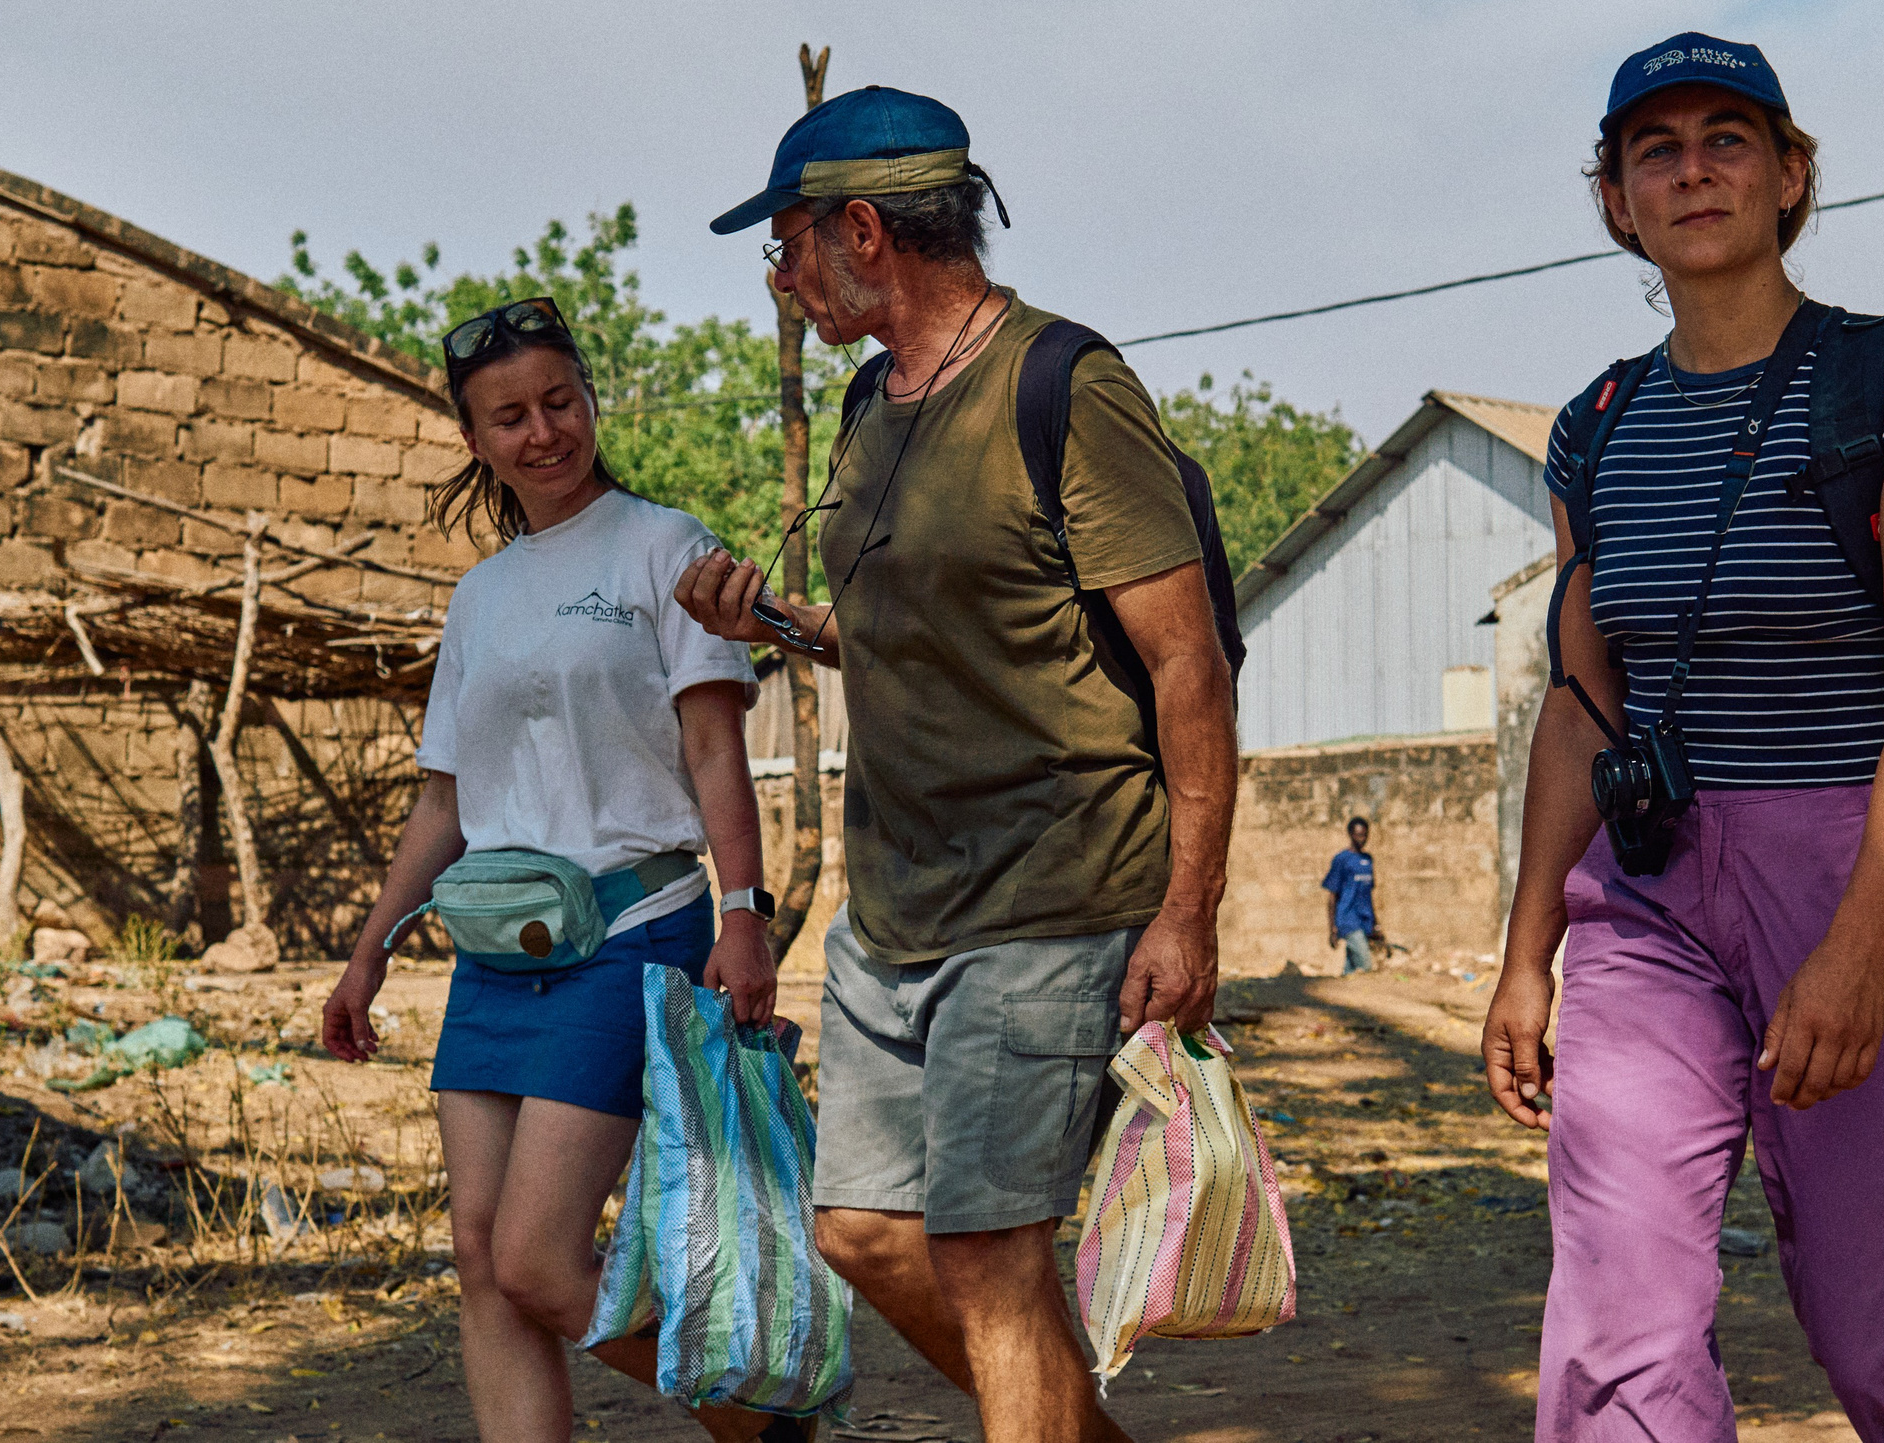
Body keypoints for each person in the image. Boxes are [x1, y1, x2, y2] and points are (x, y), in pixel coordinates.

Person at [1479, 34, 1884, 1442]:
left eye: (1727, 138)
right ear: (1617, 199)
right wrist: (1522, 955)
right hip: (1652, 892)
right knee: (1616, 1334)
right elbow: (1583, 706)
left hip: (1865, 865)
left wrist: (1860, 946)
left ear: (1790, 173)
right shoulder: (1595, 429)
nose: (1693, 168)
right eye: (1656, 148)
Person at [677, 86, 1239, 1443]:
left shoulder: (1064, 387)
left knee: (990, 1247)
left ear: (864, 230)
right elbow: (917, 632)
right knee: (867, 1230)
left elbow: (1189, 663)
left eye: (792, 243)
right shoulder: (877, 401)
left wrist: (1188, 908)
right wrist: (782, 623)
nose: (781, 273)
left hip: (1052, 896)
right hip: (899, 907)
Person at [319, 298, 795, 1443]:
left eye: (560, 402)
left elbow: (711, 745)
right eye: (510, 417)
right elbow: (445, 796)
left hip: (631, 936)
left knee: (537, 1259)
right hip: (494, 953)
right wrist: (368, 949)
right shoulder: (480, 595)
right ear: (476, 440)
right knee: (479, 1259)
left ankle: (758, 1420)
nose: (543, 433)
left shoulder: (662, 545)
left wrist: (742, 913)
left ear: (589, 400)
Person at [1323, 817, 1376, 974]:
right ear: (1350, 835)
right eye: (1358, 835)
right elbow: (1332, 896)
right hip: (1347, 920)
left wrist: (1375, 924)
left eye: (1365, 835)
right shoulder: (1341, 860)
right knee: (1365, 965)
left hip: (1364, 920)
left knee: (1351, 970)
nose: (1362, 839)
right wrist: (1332, 928)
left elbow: (1368, 895)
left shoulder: (1368, 860)